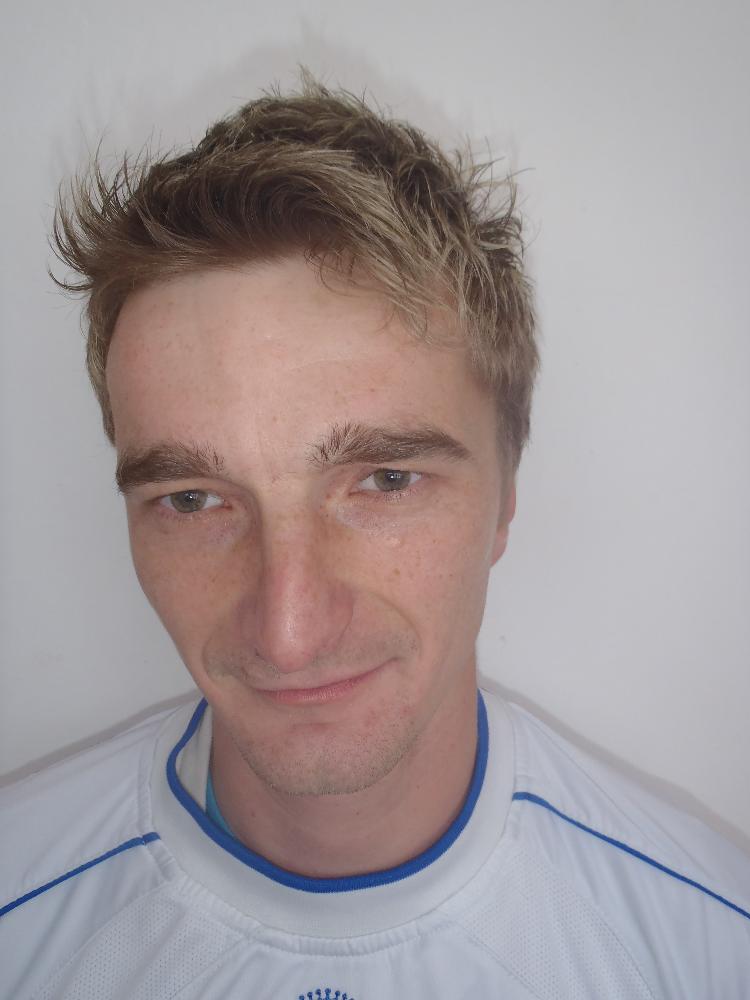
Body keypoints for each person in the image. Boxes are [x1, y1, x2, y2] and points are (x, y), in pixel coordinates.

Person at [1, 76, 748, 999]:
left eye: (386, 481)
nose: (289, 633)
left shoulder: (711, 951)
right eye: (193, 499)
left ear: (505, 498)